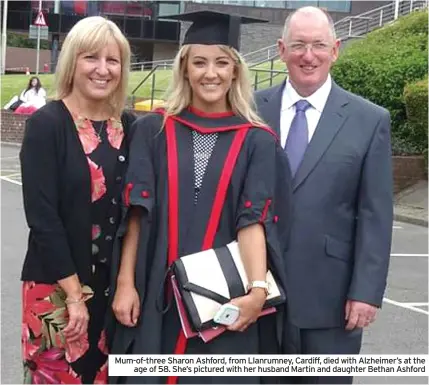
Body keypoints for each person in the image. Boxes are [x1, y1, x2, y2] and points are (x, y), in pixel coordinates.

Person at [109, 10, 292, 385]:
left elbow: (252, 219)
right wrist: (126, 283)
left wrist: (257, 292)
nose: (211, 73)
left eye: (222, 62)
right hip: (156, 291)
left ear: (236, 70)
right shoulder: (152, 130)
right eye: (200, 62)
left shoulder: (257, 140)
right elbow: (137, 215)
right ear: (185, 69)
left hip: (223, 296)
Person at [255, 6, 393, 384]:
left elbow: (375, 213)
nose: (308, 55)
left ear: (336, 50)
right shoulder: (250, 109)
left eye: (318, 45)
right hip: (257, 297)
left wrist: (366, 292)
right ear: (281, 50)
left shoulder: (369, 120)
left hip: (332, 301)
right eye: (298, 45)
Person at [20, 16, 135, 384]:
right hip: (55, 288)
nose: (103, 69)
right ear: (72, 62)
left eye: (112, 60)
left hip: (113, 290)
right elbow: (42, 217)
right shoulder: (47, 124)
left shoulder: (131, 128)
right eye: (91, 58)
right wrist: (73, 295)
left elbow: (138, 211)